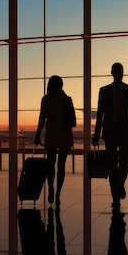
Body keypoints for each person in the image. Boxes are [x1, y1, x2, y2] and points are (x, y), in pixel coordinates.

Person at [92, 63, 128, 208]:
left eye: (121, 71)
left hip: (125, 130)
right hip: (111, 130)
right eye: (117, 71)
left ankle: (119, 185)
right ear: (112, 73)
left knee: (125, 162)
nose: (119, 73)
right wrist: (96, 134)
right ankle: (116, 193)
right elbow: (100, 114)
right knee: (112, 164)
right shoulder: (104, 91)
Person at [34, 75, 76, 206]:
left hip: (51, 135)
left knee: (50, 164)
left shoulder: (46, 99)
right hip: (65, 135)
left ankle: (51, 187)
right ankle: (58, 192)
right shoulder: (66, 99)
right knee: (61, 166)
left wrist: (38, 135)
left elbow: (42, 118)